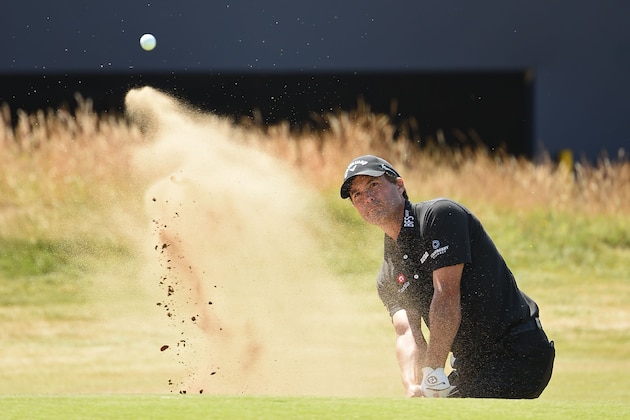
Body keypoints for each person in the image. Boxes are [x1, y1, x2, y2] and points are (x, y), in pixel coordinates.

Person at [340, 155, 555, 398]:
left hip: (516, 351)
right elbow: (407, 332)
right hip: (469, 365)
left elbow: (446, 294)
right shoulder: (388, 274)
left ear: (399, 186)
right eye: (356, 194)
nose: (367, 197)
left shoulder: (440, 216)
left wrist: (432, 369)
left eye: (374, 185)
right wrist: (415, 385)